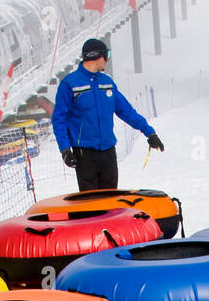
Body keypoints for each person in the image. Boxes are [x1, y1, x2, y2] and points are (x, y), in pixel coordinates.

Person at [51, 37, 164, 190]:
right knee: (91, 203)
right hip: (84, 153)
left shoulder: (107, 83)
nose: (107, 59)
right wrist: (65, 149)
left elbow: (127, 111)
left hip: (108, 152)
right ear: (96, 56)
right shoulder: (70, 84)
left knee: (111, 199)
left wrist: (149, 133)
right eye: (107, 55)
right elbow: (59, 119)